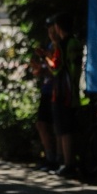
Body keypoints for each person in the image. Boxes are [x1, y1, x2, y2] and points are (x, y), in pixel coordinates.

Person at [45, 12, 83, 177]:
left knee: (63, 129)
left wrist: (47, 57)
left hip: (62, 92)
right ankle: (66, 161)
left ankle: (67, 163)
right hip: (74, 90)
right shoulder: (76, 42)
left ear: (58, 27)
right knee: (68, 128)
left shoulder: (62, 45)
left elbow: (55, 68)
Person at [32, 16, 61, 171]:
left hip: (57, 90)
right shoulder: (51, 45)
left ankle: (58, 159)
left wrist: (45, 57)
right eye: (49, 31)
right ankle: (50, 157)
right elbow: (47, 69)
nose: (51, 34)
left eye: (53, 30)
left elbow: (56, 69)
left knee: (56, 126)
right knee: (42, 124)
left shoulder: (59, 46)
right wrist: (39, 68)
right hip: (46, 89)